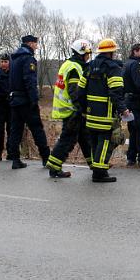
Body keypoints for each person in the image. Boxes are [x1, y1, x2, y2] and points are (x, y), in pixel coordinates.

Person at [77, 37, 129, 183]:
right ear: (111, 53)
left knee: (94, 141)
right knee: (105, 141)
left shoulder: (89, 66)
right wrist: (123, 110)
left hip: (90, 113)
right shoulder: (113, 68)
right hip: (106, 114)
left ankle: (98, 170)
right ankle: (99, 173)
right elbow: (116, 93)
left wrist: (84, 109)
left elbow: (80, 91)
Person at [46, 39, 93, 178]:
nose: (88, 57)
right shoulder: (74, 68)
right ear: (81, 53)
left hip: (70, 109)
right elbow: (75, 92)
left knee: (85, 138)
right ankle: (54, 167)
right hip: (72, 110)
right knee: (68, 140)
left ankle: (95, 165)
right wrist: (81, 109)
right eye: (87, 54)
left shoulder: (68, 64)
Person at [7, 34, 51, 170]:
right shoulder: (28, 58)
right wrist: (34, 100)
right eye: (36, 44)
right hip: (26, 100)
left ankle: (15, 159)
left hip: (15, 99)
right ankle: (46, 158)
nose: (37, 47)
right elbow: (30, 81)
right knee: (37, 129)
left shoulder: (14, 59)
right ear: (30, 43)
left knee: (15, 130)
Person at [0, 53, 12, 161]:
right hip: (0, 105)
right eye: (2, 62)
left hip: (10, 105)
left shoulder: (13, 74)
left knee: (11, 130)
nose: (3, 64)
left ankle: (11, 152)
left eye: (6, 62)